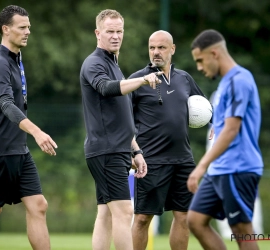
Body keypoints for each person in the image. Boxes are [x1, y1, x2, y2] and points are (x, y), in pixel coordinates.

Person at [0, 5, 58, 250]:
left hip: (18, 148)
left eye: (29, 27)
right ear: (5, 29)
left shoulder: (16, 60)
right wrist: (37, 131)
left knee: (38, 205)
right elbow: (6, 104)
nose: (28, 31)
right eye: (22, 27)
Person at [79, 9, 162, 250]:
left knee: (106, 214)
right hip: (106, 151)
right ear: (98, 33)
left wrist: (136, 150)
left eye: (119, 31)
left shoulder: (114, 64)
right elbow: (106, 88)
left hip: (117, 149)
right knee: (125, 212)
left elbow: (120, 117)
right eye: (109, 31)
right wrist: (143, 80)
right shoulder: (94, 63)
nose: (115, 36)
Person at [129, 30, 208, 250]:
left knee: (183, 216)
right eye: (152, 47)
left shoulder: (184, 78)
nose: (155, 52)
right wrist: (132, 153)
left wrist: (214, 125)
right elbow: (122, 122)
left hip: (183, 159)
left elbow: (203, 108)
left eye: (161, 47)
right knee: (143, 218)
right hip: (150, 160)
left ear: (172, 49)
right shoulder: (137, 80)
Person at [187, 29, 263, 250]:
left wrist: (200, 166)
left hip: (237, 168)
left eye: (200, 60)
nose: (199, 67)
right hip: (219, 170)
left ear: (215, 54)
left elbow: (231, 130)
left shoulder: (239, 80)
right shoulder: (222, 86)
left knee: (242, 231)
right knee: (196, 220)